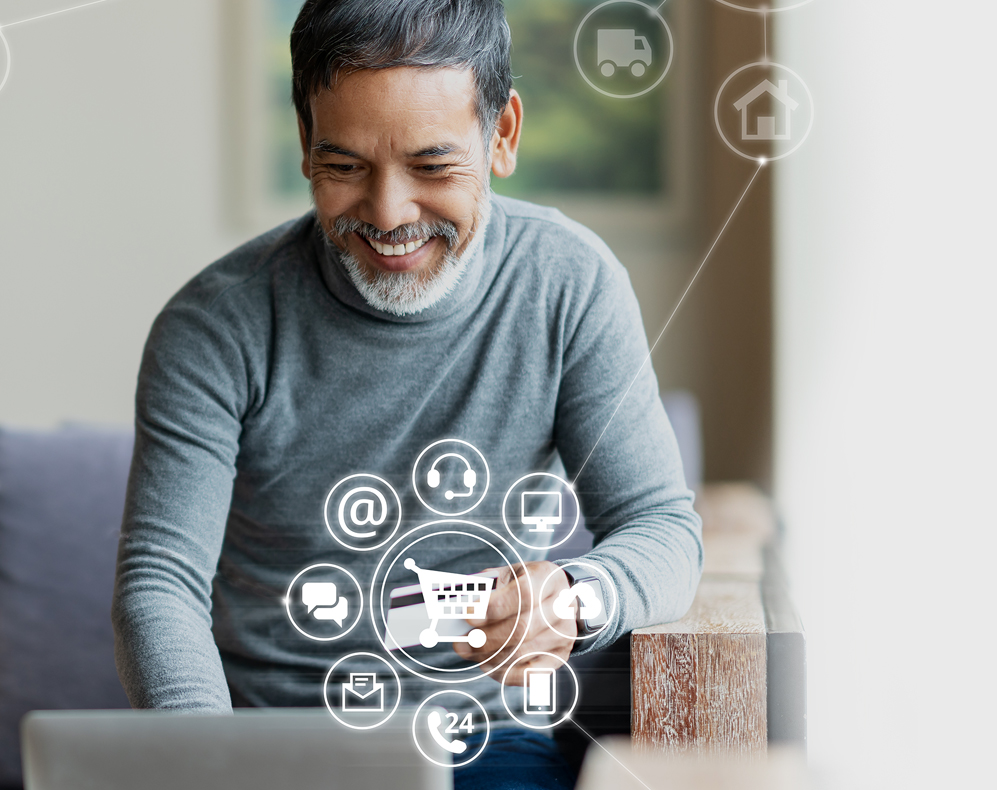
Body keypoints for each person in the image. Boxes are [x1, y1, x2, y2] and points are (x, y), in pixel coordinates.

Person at [111, 1, 703, 788]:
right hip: (265, 751)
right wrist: (208, 759)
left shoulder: (570, 283)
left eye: (431, 166)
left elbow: (662, 527)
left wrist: (573, 596)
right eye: (345, 166)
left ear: (503, 136)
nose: (388, 215)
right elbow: (160, 581)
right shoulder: (213, 325)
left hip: (487, 741)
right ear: (304, 144)